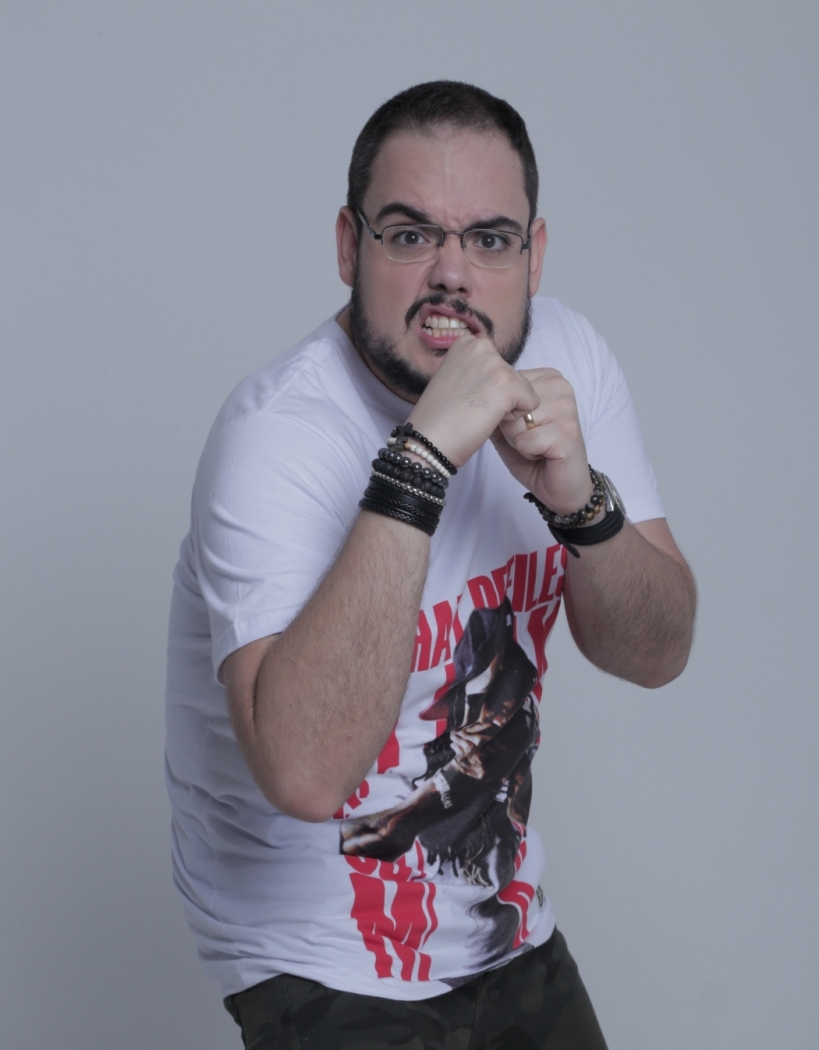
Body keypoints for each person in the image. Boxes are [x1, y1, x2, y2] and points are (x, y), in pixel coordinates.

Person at [165, 81, 696, 1049]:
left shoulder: (566, 361)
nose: (452, 274)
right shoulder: (278, 435)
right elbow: (306, 776)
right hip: (318, 959)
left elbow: (656, 652)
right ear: (349, 246)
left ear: (533, 254)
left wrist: (581, 506)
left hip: (502, 924)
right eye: (410, 235)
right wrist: (421, 460)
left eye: (489, 239)